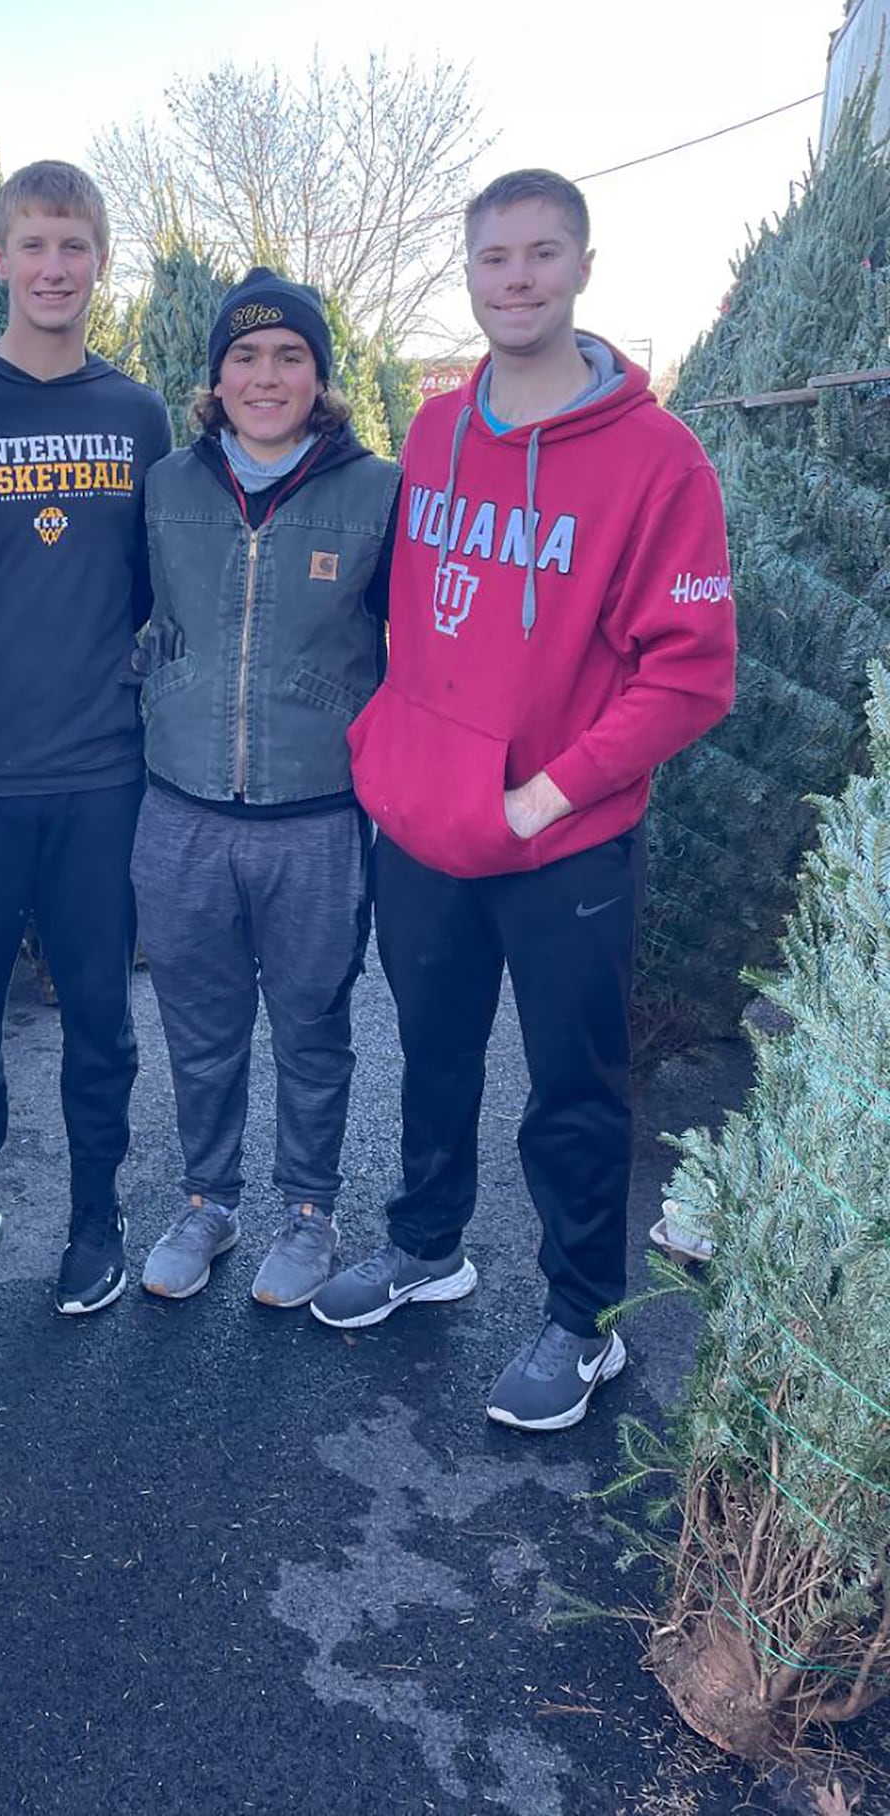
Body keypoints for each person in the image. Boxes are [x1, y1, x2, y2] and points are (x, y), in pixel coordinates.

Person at [312, 169, 736, 1433]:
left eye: (541, 254)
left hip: (566, 841)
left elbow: (691, 675)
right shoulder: (437, 428)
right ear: (468, 270)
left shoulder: (659, 461)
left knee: (571, 1087)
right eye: (494, 257)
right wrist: (394, 750)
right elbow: (411, 618)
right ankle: (427, 1246)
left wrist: (544, 793)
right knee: (431, 1054)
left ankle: (580, 1320)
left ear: (583, 268)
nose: (515, 277)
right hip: (428, 827)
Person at [0, 160, 171, 1318]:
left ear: (100, 260)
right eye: (33, 246)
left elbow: (164, 593)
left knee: (100, 1015)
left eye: (74, 247)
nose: (53, 268)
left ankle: (95, 1213)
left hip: (100, 777)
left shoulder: (136, 413)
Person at [133, 270, 398, 1308]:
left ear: (320, 374)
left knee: (311, 1024)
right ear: (214, 375)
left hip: (316, 820)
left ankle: (307, 1209)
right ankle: (207, 1199)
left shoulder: (378, 490)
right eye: (243, 355)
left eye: (289, 354)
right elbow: (126, 620)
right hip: (180, 811)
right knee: (198, 1024)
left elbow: (417, 652)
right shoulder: (165, 486)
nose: (265, 373)